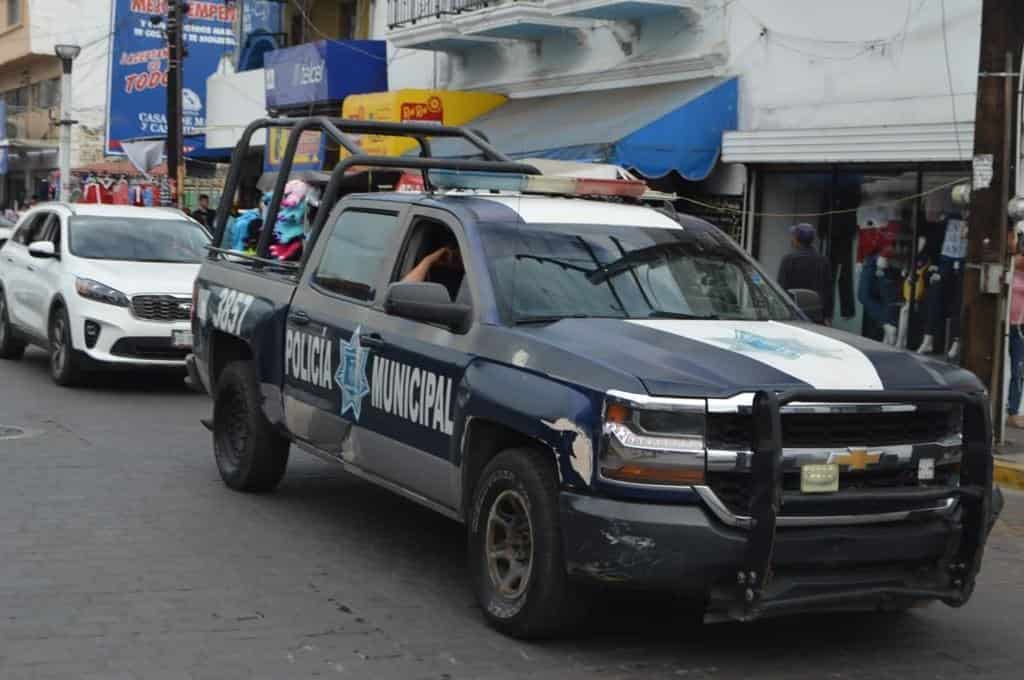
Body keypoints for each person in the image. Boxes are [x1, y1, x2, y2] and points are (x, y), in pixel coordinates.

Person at [777, 223, 833, 324]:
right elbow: (828, 290)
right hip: (816, 315)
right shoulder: (823, 260)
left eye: (793, 236)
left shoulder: (788, 260)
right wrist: (827, 315)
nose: (792, 239)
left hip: (794, 313)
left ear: (797, 240)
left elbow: (781, 288)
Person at [1007, 226, 1024, 428]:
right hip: (1007, 323)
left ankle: (1012, 411)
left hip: (1019, 325)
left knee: (1018, 369)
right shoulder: (1010, 264)